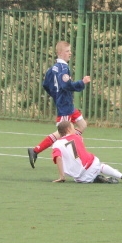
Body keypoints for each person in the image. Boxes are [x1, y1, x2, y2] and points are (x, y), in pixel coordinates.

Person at [28, 41, 91, 169]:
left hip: (68, 105)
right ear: (60, 53)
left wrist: (56, 95)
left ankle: (73, 145)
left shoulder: (52, 69)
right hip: (65, 106)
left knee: (82, 124)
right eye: (68, 51)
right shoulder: (63, 68)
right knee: (61, 134)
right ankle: (35, 150)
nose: (70, 53)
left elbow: (46, 84)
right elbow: (66, 85)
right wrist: (82, 83)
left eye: (70, 51)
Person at [50, 120, 122, 184]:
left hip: (81, 178)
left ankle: (98, 178)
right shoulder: (78, 137)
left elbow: (58, 158)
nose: (75, 130)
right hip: (92, 164)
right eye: (73, 128)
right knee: (101, 166)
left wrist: (62, 177)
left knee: (80, 176)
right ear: (69, 130)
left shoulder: (56, 144)